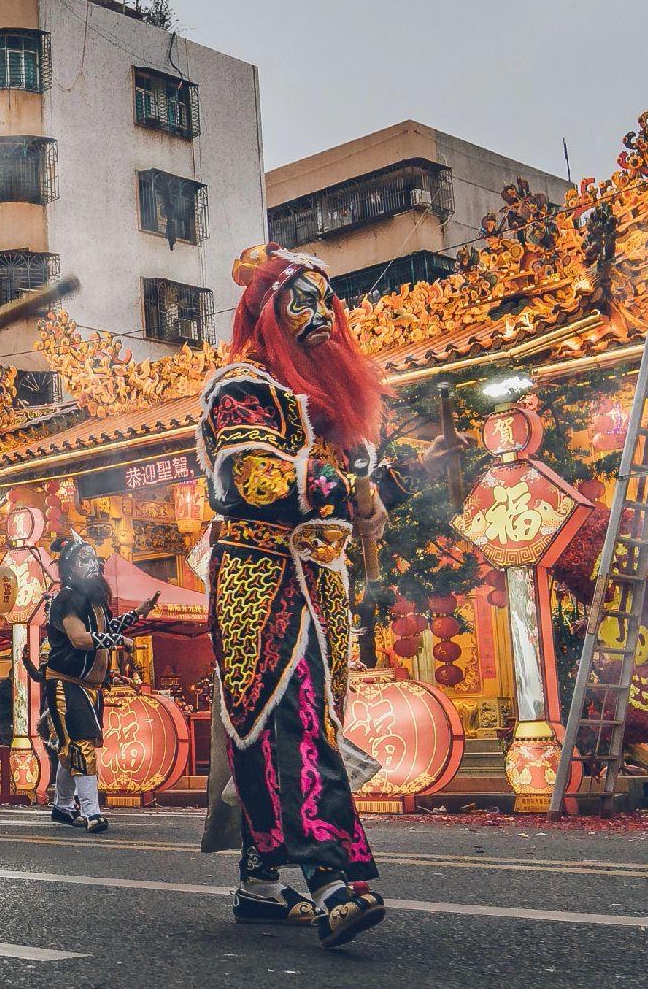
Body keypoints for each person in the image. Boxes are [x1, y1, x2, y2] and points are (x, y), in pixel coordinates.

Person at [197, 245, 394, 949]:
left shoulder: (327, 406)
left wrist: (371, 499)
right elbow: (253, 479)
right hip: (262, 578)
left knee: (285, 724)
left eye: (325, 303)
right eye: (299, 302)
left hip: (323, 583)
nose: (317, 317)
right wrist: (346, 490)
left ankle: (257, 880)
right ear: (268, 312)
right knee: (290, 718)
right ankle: (332, 880)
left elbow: (363, 489)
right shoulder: (241, 386)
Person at [39, 539, 157, 833]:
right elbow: (80, 639)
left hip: (90, 687)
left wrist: (137, 614)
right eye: (84, 560)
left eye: (94, 559)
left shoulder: (96, 600)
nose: (93, 565)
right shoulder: (67, 599)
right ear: (69, 568)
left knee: (78, 745)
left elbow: (106, 629)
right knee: (80, 744)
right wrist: (119, 641)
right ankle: (92, 812)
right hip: (67, 684)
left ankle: (63, 807)